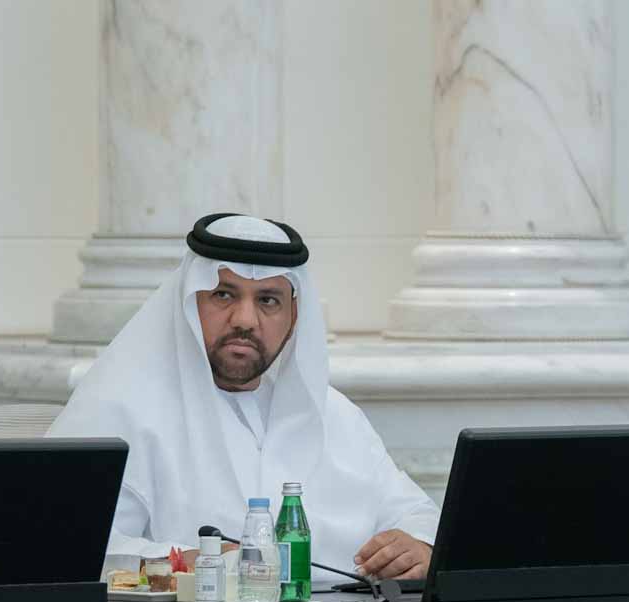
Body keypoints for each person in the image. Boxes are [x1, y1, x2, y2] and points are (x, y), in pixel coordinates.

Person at [49, 213, 440, 581]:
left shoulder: (335, 415)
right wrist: (194, 560)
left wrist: (419, 546)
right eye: (223, 295)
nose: (245, 320)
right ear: (188, 303)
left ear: (294, 316)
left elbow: (417, 514)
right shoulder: (116, 411)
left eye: (268, 301)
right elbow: (66, 546)